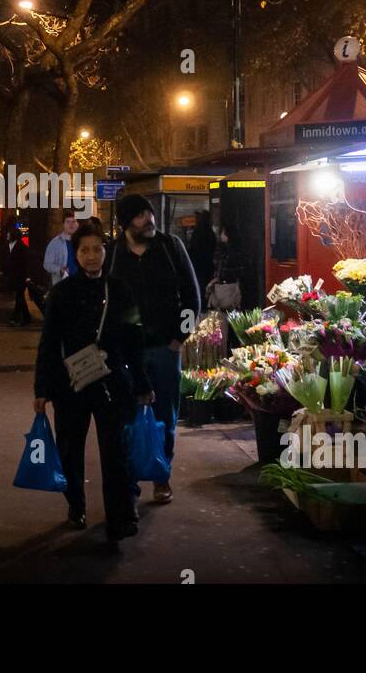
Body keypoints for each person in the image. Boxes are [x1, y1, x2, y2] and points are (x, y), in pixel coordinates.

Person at [34, 223, 154, 542]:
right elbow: (48, 343)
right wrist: (41, 389)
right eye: (84, 250)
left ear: (105, 251)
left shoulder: (119, 290)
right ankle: (76, 506)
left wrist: (142, 383)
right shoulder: (61, 293)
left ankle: (120, 517)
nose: (91, 256)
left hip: (112, 384)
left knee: (115, 452)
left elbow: (134, 337)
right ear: (75, 254)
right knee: (69, 450)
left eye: (97, 249)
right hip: (70, 386)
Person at [108, 193, 201, 504]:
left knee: (164, 417)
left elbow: (192, 297)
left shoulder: (171, 246)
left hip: (164, 348)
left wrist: (179, 339)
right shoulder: (113, 254)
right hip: (125, 353)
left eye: (149, 213)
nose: (149, 220)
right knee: (128, 417)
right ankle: (131, 480)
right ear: (126, 223)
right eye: (140, 216)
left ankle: (162, 477)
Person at [207, 224, 249, 310]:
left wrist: (215, 280)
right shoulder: (238, 250)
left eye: (223, 232)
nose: (221, 235)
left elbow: (223, 272)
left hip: (227, 289)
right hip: (235, 288)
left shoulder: (227, 252)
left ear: (228, 235)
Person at [2, 225, 34, 326]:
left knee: (19, 296)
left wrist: (27, 276)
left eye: (8, 233)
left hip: (21, 275)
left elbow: (26, 262)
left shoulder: (21, 247)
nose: (7, 235)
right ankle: (26, 317)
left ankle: (16, 317)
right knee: (20, 297)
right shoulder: (10, 246)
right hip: (14, 275)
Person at [43, 210, 79, 286]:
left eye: (73, 221)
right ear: (63, 224)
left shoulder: (81, 242)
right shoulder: (55, 243)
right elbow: (47, 264)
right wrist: (59, 270)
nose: (71, 225)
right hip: (63, 284)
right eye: (68, 222)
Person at [189, 209, 217, 292]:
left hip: (198, 264)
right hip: (208, 263)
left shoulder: (198, 231)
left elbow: (193, 247)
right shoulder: (210, 232)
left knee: (199, 286)